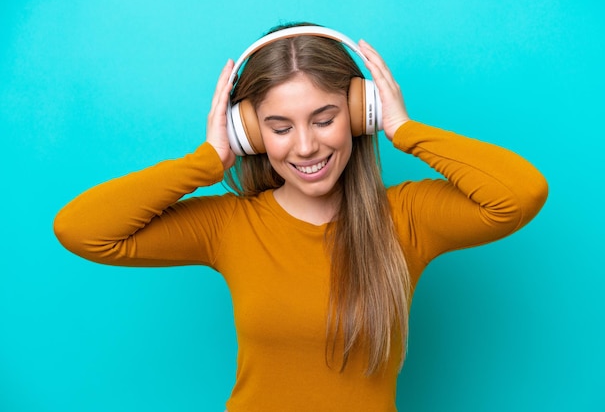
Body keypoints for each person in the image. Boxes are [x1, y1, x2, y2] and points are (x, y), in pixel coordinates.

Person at [54, 22, 548, 411]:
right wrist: (208, 160)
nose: (306, 145)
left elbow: (520, 194)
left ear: (359, 115)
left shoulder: (406, 219)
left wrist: (402, 128)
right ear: (250, 134)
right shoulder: (229, 225)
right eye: (279, 126)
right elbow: (82, 230)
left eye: (325, 118)